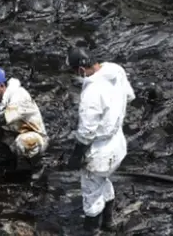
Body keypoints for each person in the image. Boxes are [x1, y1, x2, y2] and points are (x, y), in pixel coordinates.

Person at [65, 46, 135, 234]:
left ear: (80, 69)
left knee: (90, 191)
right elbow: (129, 96)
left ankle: (92, 230)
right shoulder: (116, 70)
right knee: (102, 180)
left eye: (74, 71)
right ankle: (108, 223)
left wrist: (77, 154)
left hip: (100, 152)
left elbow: (87, 131)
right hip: (118, 142)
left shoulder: (91, 93)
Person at [0, 66, 49, 180]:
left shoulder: (18, 94)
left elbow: (5, 117)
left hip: (33, 135)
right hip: (10, 133)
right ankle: (9, 161)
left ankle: (36, 165)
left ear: (1, 86)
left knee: (24, 142)